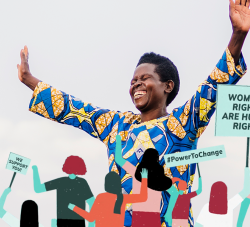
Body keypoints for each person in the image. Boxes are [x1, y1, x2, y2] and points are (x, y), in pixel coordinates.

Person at [16, 0, 250, 225]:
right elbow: (75, 109)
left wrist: (238, 35)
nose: (136, 84)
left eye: (145, 78)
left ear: (167, 86)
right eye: (133, 80)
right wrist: (30, 80)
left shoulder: (183, 124)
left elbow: (213, 87)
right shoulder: (116, 125)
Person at [115, 141, 178, 226]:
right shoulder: (160, 180)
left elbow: (118, 159)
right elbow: (175, 193)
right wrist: (168, 213)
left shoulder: (136, 172)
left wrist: (118, 140)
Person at [68, 169, 148, 227]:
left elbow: (90, 218)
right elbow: (143, 197)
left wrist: (74, 207)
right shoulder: (123, 198)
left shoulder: (101, 197)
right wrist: (144, 179)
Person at [32, 156, 95, 227]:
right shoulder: (82, 183)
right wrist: (91, 225)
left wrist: (35, 170)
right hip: (78, 221)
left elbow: (38, 188)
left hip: (63, 221)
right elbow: (92, 203)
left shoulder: (61, 182)